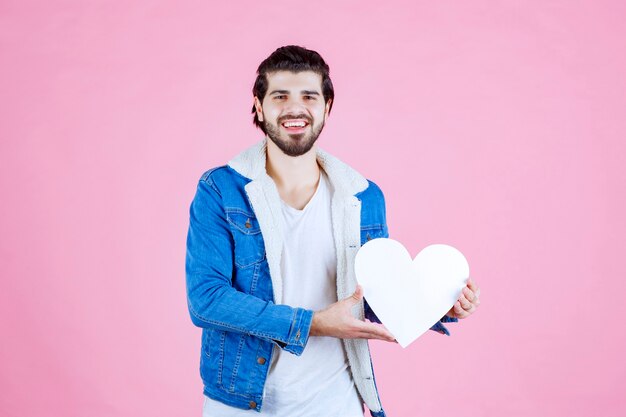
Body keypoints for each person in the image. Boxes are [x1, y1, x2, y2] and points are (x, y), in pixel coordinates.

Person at [185, 45, 481, 417]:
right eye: (280, 96)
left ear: (327, 107)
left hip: (335, 402)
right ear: (259, 107)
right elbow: (207, 299)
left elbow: (370, 298)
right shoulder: (221, 190)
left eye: (309, 96)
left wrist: (439, 305)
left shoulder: (362, 195)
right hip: (241, 402)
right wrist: (312, 324)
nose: (295, 108)